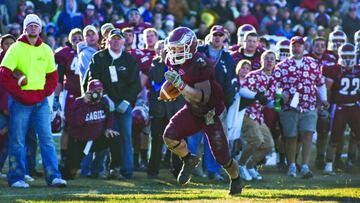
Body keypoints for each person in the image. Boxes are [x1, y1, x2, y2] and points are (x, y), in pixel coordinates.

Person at [162, 27, 242, 195]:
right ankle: (188, 159)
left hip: (210, 113)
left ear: (189, 46)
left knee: (223, 158)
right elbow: (178, 83)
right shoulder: (172, 59)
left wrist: (181, 86)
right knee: (169, 136)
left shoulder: (201, 63)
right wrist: (168, 90)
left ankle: (236, 179)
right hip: (192, 109)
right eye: (173, 47)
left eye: (179, 47)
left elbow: (202, 97)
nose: (175, 51)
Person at [0, 14, 66, 188]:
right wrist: (20, 95)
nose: (33, 28)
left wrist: (42, 94)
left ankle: (53, 177)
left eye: (36, 25)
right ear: (25, 28)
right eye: (30, 25)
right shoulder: (15, 48)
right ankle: (16, 178)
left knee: (47, 139)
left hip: (41, 102)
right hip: (20, 102)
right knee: (18, 140)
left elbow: (53, 77)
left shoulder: (46, 49)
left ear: (40, 29)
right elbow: (4, 74)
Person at [272, 36, 328, 179]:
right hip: (289, 107)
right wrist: (280, 94)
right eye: (294, 46)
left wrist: (324, 99)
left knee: (307, 135)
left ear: (304, 47)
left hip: (308, 105)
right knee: (290, 137)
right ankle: (291, 165)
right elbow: (274, 86)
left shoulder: (313, 63)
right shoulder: (281, 66)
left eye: (299, 46)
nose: (297, 48)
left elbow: (320, 83)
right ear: (291, 47)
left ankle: (305, 166)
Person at [89, 28, 142, 179]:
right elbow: (94, 79)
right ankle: (97, 169)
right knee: (101, 135)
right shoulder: (98, 57)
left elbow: (135, 84)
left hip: (123, 104)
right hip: (102, 104)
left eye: (119, 38)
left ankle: (126, 170)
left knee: (125, 135)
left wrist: (126, 101)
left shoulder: (129, 59)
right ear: (108, 40)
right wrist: (104, 98)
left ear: (123, 41)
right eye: (113, 38)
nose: (116, 41)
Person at [61, 79, 121, 179]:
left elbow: (110, 116)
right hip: (79, 140)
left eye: (100, 91)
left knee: (115, 137)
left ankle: (114, 170)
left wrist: (108, 129)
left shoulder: (104, 102)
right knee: (70, 173)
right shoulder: (78, 102)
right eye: (95, 91)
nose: (97, 94)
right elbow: (78, 122)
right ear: (89, 92)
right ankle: (64, 168)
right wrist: (86, 104)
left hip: (96, 139)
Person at [147, 40, 185, 178]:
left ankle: (177, 170)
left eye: (166, 49)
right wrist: (164, 61)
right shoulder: (155, 64)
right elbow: (157, 80)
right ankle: (152, 170)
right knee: (156, 140)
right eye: (161, 49)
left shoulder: (179, 64)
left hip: (176, 108)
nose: (164, 51)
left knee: (177, 140)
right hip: (160, 109)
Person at [237, 50, 276, 181]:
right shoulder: (253, 75)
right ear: (261, 61)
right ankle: (240, 165)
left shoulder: (273, 80)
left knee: (268, 145)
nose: (269, 61)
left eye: (272, 59)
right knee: (256, 140)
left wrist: (280, 101)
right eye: (267, 59)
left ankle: (250, 166)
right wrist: (256, 95)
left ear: (275, 62)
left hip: (258, 115)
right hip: (247, 112)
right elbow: (242, 90)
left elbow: (269, 103)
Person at [323, 43, 360, 175]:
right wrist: (326, 103)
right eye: (345, 56)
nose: (348, 59)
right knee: (335, 137)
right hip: (339, 107)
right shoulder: (334, 69)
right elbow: (327, 89)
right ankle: (328, 165)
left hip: (354, 106)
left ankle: (351, 160)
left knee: (357, 135)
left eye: (351, 56)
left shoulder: (358, 69)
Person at [53, 28, 84, 173]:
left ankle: (80, 157)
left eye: (79, 37)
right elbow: (59, 77)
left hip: (86, 94)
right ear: (70, 40)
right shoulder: (64, 53)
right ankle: (65, 157)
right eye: (74, 37)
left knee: (85, 125)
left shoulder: (90, 51)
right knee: (67, 125)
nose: (77, 40)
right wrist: (56, 97)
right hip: (70, 93)